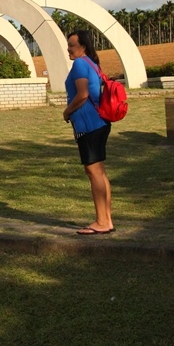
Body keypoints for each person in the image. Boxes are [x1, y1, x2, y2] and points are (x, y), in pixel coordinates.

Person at [63, 30, 114, 235]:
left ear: (83, 46)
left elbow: (82, 95)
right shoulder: (92, 63)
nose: (68, 48)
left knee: (94, 172)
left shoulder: (80, 64)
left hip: (89, 125)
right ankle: (106, 219)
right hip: (99, 123)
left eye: (72, 45)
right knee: (98, 172)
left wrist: (66, 112)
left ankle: (102, 221)